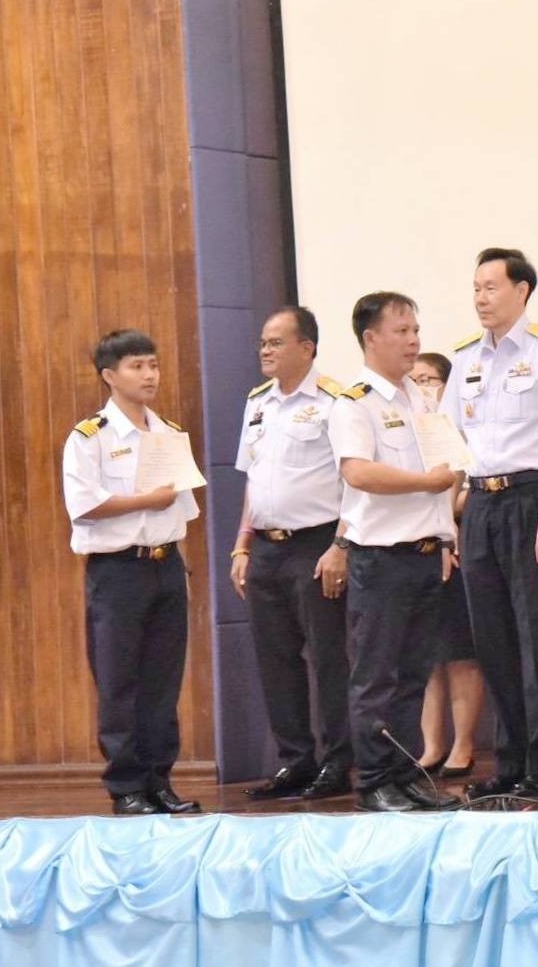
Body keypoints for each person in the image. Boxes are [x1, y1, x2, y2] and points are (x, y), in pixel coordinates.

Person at [441, 248, 538, 800]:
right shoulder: (465, 358)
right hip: (479, 503)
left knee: (537, 640)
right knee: (492, 640)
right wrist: (445, 522)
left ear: (522, 291)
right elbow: (452, 443)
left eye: (491, 287)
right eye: (476, 287)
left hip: (530, 501)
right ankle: (510, 762)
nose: (481, 298)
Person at [326, 292, 462, 812]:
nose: (413, 341)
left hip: (425, 554)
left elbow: (449, 462)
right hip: (381, 559)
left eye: (416, 330)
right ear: (370, 338)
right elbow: (358, 472)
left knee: (414, 675)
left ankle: (406, 775)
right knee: (377, 676)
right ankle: (376, 781)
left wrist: (445, 533)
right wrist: (425, 483)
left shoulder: (421, 399)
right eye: (401, 331)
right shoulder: (354, 402)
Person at [61, 330, 202, 815]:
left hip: (166, 566)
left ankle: (160, 781)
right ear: (109, 375)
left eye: (153, 365)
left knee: (163, 681)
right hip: (118, 571)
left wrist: (179, 565)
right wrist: (144, 500)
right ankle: (126, 787)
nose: (149, 375)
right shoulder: (90, 437)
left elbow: (181, 510)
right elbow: (84, 505)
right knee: (120, 681)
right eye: (137, 366)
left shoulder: (168, 433)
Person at [230, 305, 353, 801]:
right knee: (276, 660)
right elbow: (253, 480)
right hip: (266, 547)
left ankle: (338, 761)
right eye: (263, 342)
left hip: (315, 545)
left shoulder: (334, 402)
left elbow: (353, 482)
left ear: (307, 347)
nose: (265, 350)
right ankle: (295, 761)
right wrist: (241, 545)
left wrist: (341, 545)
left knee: (329, 658)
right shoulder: (257, 403)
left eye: (276, 342)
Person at [410, 352, 487, 778]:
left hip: (457, 544)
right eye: (414, 379)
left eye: (429, 379)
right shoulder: (405, 431)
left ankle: (463, 744)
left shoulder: (464, 428)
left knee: (459, 652)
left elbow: (477, 487)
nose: (420, 387)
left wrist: (445, 511)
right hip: (414, 547)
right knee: (426, 657)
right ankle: (431, 745)